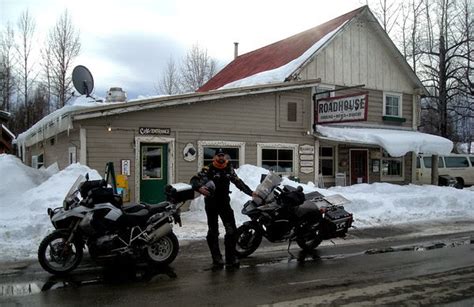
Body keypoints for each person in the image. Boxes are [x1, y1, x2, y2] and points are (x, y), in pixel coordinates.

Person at [190, 148, 254, 269]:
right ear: (214, 158)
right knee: (213, 231)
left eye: (222, 156)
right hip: (211, 204)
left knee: (232, 231)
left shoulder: (228, 168)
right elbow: (194, 181)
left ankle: (230, 257)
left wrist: (251, 193)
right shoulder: (208, 169)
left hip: (224, 203)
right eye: (218, 156)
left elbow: (238, 182)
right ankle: (217, 258)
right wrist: (200, 188)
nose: (221, 158)